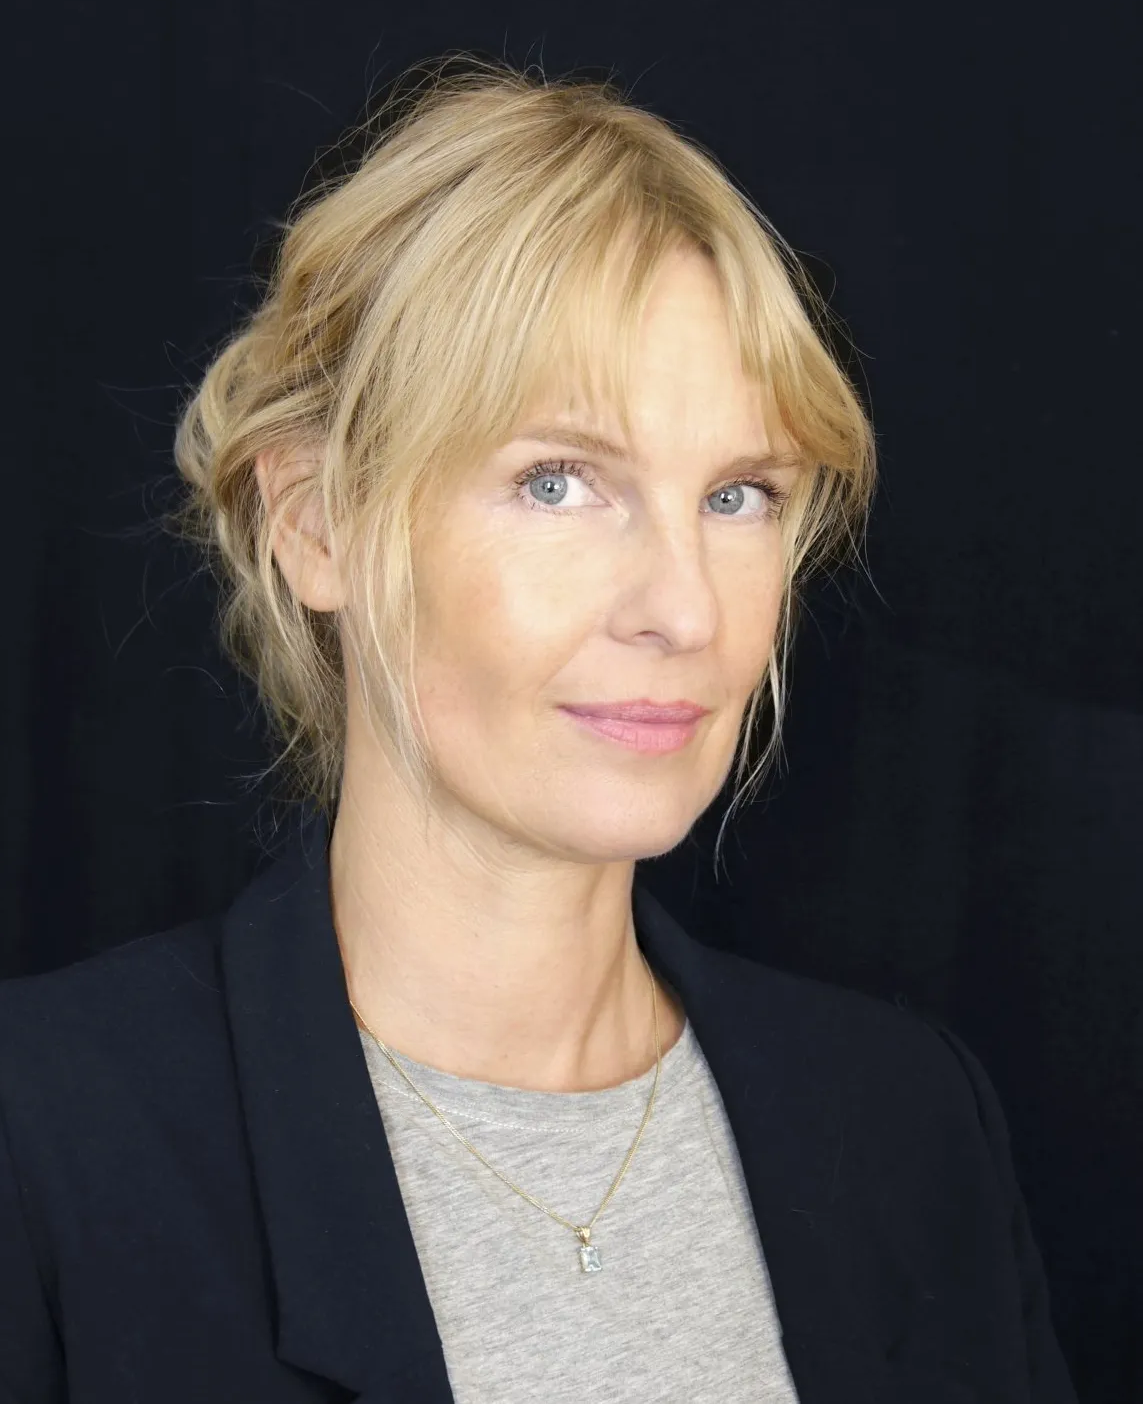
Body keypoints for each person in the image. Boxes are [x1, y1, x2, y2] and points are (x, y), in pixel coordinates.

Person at [0, 54, 1077, 1404]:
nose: (683, 609)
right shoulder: (47, 1142)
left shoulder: (908, 1127)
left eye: (738, 495)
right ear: (316, 522)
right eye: (558, 482)